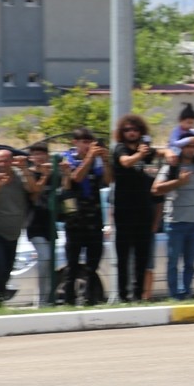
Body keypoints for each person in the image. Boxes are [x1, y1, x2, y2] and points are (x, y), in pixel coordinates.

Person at [154, 137, 194, 300]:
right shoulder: (171, 166)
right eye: (188, 146)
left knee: (190, 264)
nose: (191, 149)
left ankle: (186, 293)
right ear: (181, 147)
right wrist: (178, 182)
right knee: (173, 263)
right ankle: (175, 295)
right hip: (175, 223)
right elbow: (156, 189)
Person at [0, 149, 36, 305]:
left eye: (6, 160)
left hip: (14, 231)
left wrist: (24, 169)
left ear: (11, 161)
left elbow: (33, 190)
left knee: (8, 268)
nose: (3, 164)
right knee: (0, 264)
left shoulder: (20, 175)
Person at [61, 128, 111, 306]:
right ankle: (69, 299)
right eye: (83, 141)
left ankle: (91, 298)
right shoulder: (68, 159)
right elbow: (76, 177)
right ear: (75, 142)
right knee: (72, 264)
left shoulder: (97, 162)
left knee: (93, 264)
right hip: (75, 221)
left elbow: (107, 180)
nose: (88, 145)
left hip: (94, 220)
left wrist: (105, 160)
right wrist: (90, 157)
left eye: (90, 142)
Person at [111, 114, 158, 302]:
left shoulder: (147, 151)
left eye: (135, 130)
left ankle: (138, 295)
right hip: (124, 210)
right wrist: (140, 154)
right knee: (123, 256)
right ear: (122, 132)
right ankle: (123, 295)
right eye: (127, 130)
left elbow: (159, 157)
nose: (131, 133)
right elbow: (126, 162)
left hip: (144, 209)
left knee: (142, 255)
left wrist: (167, 153)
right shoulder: (119, 149)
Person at [23, 142, 56, 305]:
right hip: (34, 223)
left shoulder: (54, 173)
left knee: (50, 262)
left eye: (42, 153)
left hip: (51, 224)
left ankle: (48, 298)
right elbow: (34, 195)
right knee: (44, 258)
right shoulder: (27, 174)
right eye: (35, 154)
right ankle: (42, 300)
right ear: (31, 157)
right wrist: (44, 176)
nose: (39, 157)